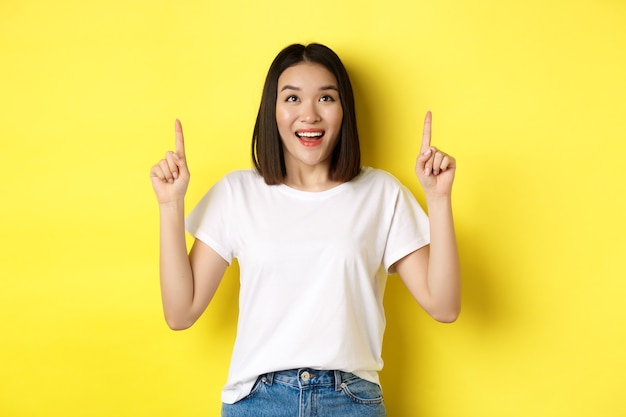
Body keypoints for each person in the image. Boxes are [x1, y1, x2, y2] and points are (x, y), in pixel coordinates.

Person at [150, 43, 460, 417]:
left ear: (344, 110)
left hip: (350, 401)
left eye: (326, 98)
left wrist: (438, 199)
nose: (309, 115)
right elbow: (180, 313)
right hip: (258, 402)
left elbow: (444, 306)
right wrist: (170, 206)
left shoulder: (381, 193)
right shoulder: (237, 193)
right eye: (292, 98)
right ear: (273, 111)